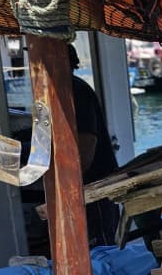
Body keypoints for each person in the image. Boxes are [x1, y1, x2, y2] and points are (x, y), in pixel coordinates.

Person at [20, 44, 121, 252]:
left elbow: (84, 151)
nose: (34, 65)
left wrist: (67, 189)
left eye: (38, 59)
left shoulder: (74, 91)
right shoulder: (46, 96)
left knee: (99, 253)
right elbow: (42, 143)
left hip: (92, 189)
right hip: (71, 192)